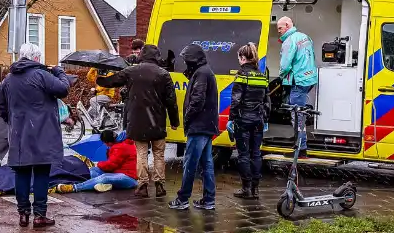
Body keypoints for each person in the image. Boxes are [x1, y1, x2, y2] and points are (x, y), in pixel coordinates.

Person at [0, 43, 75, 228]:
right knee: (41, 173)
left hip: (19, 135)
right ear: (36, 58)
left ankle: (23, 214)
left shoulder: (8, 80)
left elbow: (0, 107)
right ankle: (40, 215)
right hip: (42, 134)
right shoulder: (42, 75)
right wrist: (59, 72)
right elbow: (63, 89)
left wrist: (15, 121)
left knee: (22, 173)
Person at [97, 44, 180, 198]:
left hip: (137, 122)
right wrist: (175, 121)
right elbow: (171, 101)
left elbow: (112, 81)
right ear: (157, 57)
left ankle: (142, 186)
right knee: (159, 155)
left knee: (141, 154)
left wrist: (100, 79)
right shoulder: (163, 74)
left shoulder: (131, 71)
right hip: (157, 121)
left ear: (142, 55)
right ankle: (160, 185)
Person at [169, 43, 218, 211]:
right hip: (206, 125)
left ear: (193, 60)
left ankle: (183, 199)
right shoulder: (204, 71)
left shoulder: (202, 73)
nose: (185, 63)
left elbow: (197, 100)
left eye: (186, 60)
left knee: (190, 164)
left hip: (199, 126)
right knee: (207, 164)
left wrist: (187, 118)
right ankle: (209, 199)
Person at [228, 43, 270, 199]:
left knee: (244, 155)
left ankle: (246, 189)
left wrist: (231, 119)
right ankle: (255, 189)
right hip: (258, 120)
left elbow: (236, 101)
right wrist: (264, 118)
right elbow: (267, 101)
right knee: (256, 154)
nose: (239, 61)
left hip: (243, 120)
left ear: (243, 58)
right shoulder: (262, 76)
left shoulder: (241, 75)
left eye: (239, 58)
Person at [277, 16, 317, 150]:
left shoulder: (289, 41)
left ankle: (301, 147)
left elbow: (285, 65)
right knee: (299, 111)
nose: (279, 31)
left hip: (298, 81)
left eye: (280, 28)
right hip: (309, 79)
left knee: (297, 114)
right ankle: (300, 143)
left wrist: (280, 76)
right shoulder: (306, 37)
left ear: (288, 25)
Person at [56, 130, 138, 193]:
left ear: (109, 142)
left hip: (129, 178)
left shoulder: (120, 147)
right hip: (117, 172)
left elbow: (110, 165)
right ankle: (104, 185)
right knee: (93, 170)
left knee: (105, 177)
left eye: (105, 143)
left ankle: (74, 188)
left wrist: (98, 163)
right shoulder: (117, 145)